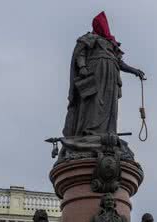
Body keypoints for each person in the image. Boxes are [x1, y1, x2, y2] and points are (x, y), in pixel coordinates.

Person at [63, 11, 146, 140]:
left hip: (111, 76)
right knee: (95, 100)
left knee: (109, 103)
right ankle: (89, 131)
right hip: (95, 73)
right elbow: (80, 53)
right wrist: (83, 66)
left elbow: (119, 62)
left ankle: (107, 131)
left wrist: (135, 71)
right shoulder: (89, 38)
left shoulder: (111, 43)